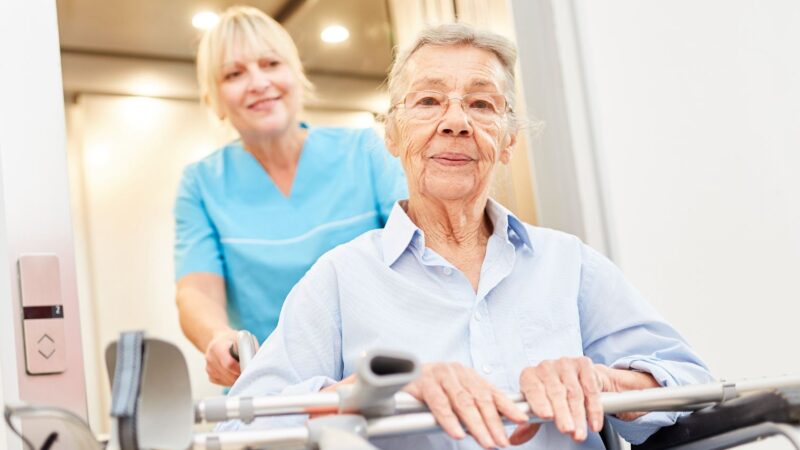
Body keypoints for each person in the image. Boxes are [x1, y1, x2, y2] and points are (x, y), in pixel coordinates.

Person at [223, 23, 713, 449]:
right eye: (429, 101)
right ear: (392, 135)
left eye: (481, 104)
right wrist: (376, 391)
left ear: (508, 140)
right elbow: (245, 423)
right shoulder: (340, 277)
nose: (455, 123)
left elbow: (698, 386)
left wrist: (607, 381)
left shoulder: (569, 264)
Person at [173, 6, 407, 386]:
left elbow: (422, 251)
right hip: (273, 389)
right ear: (213, 97)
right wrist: (217, 337)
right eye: (234, 74)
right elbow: (195, 291)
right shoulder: (201, 184)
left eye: (270, 64)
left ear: (296, 74)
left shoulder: (365, 151)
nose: (258, 83)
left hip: (374, 378)